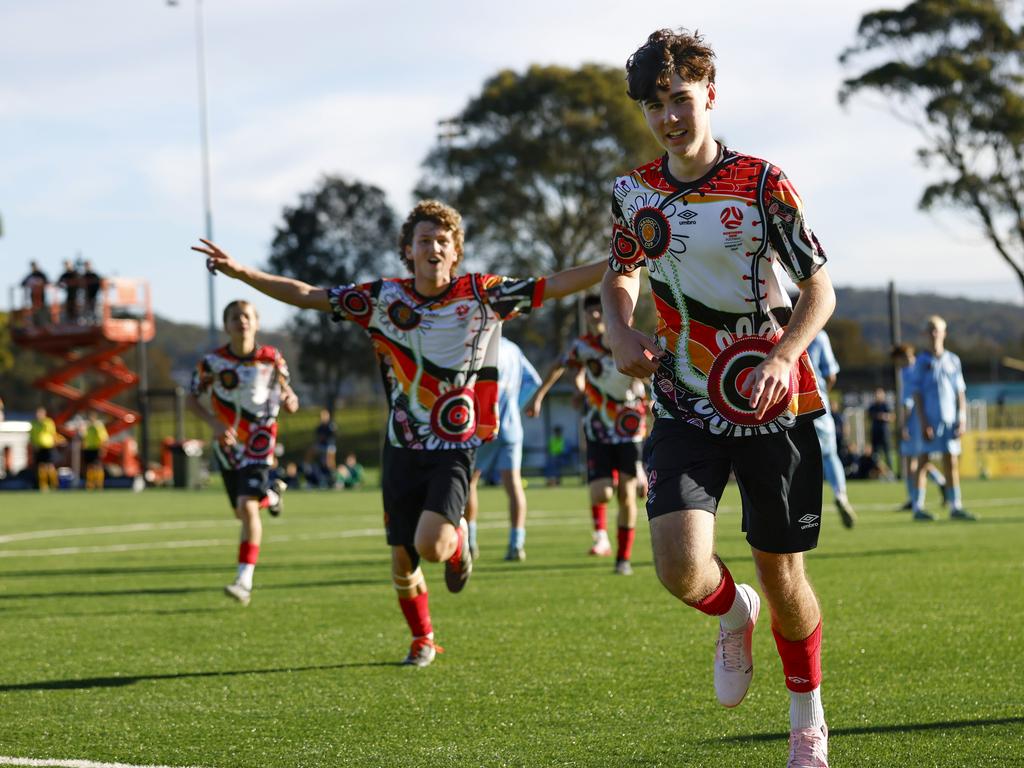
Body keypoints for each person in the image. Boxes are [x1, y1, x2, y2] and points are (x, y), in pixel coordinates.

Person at [194, 198, 605, 667]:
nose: (433, 248)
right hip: (401, 447)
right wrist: (244, 273)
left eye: (442, 241)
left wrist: (617, 258)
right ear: (407, 251)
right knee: (401, 562)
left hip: (454, 445)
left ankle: (455, 542)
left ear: (456, 252)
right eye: (423, 241)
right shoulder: (383, 299)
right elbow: (308, 293)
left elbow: (552, 286)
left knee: (431, 545)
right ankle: (423, 638)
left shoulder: (483, 294)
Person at [602, 29, 836, 765]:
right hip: (681, 399)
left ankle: (807, 720)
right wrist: (617, 327)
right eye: (653, 106)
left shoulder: (763, 183)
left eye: (678, 99)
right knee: (678, 567)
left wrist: (784, 354)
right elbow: (622, 275)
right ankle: (734, 614)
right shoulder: (633, 193)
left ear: (709, 93)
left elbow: (818, 289)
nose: (669, 117)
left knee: (784, 571)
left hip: (773, 404)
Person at [527, 294, 649, 573]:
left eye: (600, 312)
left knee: (627, 496)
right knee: (602, 493)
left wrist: (653, 397)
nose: (597, 318)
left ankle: (623, 558)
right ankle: (606, 527)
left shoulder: (632, 342)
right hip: (597, 428)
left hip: (628, 429)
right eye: (593, 313)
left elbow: (654, 373)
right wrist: (538, 396)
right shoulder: (583, 347)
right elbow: (559, 366)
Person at [189, 300, 299, 606]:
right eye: (235, 317)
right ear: (226, 325)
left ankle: (243, 579)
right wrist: (212, 422)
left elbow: (287, 391)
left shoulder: (271, 358)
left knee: (247, 508)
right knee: (242, 510)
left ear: (257, 322)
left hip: (260, 442)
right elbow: (192, 398)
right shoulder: (212, 363)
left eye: (247, 316)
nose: (242, 322)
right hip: (227, 446)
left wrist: (290, 400)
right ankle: (273, 495)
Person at [465, 336, 542, 561]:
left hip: (484, 426)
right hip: (511, 427)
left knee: (470, 481)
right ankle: (517, 543)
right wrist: (515, 407)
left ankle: (470, 542)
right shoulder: (513, 348)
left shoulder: (480, 346)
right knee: (514, 485)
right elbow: (534, 380)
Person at [910, 315, 974, 521]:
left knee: (951, 461)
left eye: (937, 329)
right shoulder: (921, 361)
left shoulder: (953, 360)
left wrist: (961, 418)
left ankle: (956, 505)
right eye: (930, 330)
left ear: (944, 333)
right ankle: (917, 507)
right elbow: (917, 394)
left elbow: (960, 392)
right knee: (923, 461)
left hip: (949, 419)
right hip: (929, 419)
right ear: (925, 334)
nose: (934, 334)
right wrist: (923, 421)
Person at [805, 330, 856, 528]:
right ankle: (840, 494)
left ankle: (798, 507)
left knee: (794, 457)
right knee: (830, 454)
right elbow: (831, 375)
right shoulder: (818, 334)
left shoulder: (780, 326)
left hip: (788, 402)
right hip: (817, 400)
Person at [891, 344, 947, 512]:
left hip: (915, 420)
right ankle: (939, 483)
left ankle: (915, 498)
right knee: (917, 460)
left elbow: (909, 400)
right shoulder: (916, 367)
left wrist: (903, 424)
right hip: (921, 417)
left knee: (914, 460)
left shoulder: (908, 372)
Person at [30, 406, 61, 491]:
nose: (38, 415)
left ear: (44, 414)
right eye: (37, 413)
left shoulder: (48, 422)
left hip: (48, 447)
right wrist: (33, 444)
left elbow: (53, 433)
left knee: (50, 466)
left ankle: (54, 484)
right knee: (41, 466)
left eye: (40, 413)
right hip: (39, 447)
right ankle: (43, 485)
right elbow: (31, 435)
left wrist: (55, 443)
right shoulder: (34, 423)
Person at [866, 387, 894, 475]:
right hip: (875, 433)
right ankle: (877, 473)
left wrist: (884, 416)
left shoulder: (886, 405)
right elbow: (869, 416)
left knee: (887, 453)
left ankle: (890, 473)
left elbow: (892, 417)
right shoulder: (872, 406)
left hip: (884, 433)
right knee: (875, 455)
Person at [311, 409, 338, 488]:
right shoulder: (319, 427)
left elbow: (333, 436)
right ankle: (307, 468)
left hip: (329, 446)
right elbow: (318, 437)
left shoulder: (331, 425)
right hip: (321, 446)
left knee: (329, 462)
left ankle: (334, 479)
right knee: (312, 452)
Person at [82, 410, 108, 490]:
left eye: (92, 417)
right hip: (89, 448)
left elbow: (104, 438)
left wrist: (102, 448)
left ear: (95, 418)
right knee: (89, 466)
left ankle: (99, 484)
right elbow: (85, 438)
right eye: (89, 417)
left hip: (96, 448)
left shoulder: (98, 426)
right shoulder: (87, 427)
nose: (91, 419)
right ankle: (90, 484)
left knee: (98, 466)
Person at [57, 259, 82, 324]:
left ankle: (77, 321)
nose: (66, 266)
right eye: (65, 265)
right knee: (69, 308)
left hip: (77, 295)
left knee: (76, 308)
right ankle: (70, 321)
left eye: (67, 264)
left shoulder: (76, 273)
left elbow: (81, 283)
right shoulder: (65, 274)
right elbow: (58, 282)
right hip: (69, 295)